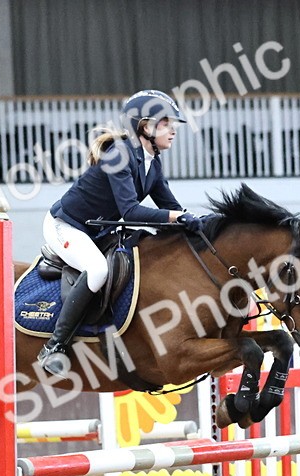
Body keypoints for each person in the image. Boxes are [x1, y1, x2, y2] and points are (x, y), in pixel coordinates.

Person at [38, 89, 203, 377]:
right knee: (98, 270)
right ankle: (54, 346)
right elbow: (131, 212)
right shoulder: (120, 155)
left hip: (98, 229)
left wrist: (197, 223)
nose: (173, 130)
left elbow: (171, 207)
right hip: (66, 225)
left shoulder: (152, 162)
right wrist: (176, 217)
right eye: (166, 123)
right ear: (145, 127)